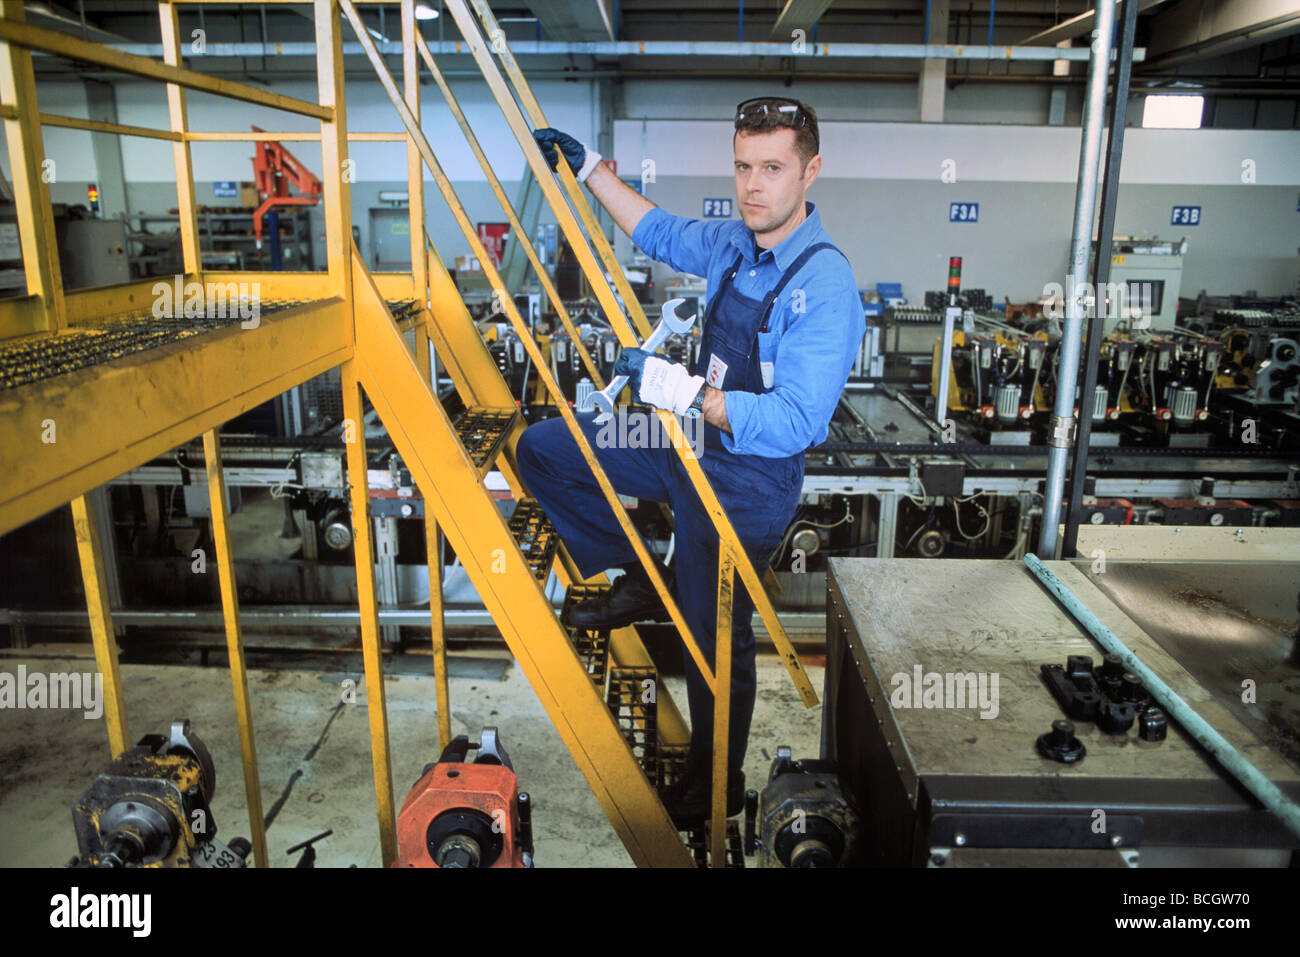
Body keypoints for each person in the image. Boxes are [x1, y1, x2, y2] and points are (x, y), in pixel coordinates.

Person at [515, 97, 863, 828]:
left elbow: (796, 420)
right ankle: (645, 576)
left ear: (811, 171)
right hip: (685, 444)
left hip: (748, 485)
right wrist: (591, 174)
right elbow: (661, 232)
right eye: (743, 166)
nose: (752, 186)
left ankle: (714, 786)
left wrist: (682, 389)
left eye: (772, 168)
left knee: (713, 644)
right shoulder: (735, 242)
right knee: (545, 450)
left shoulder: (825, 286)